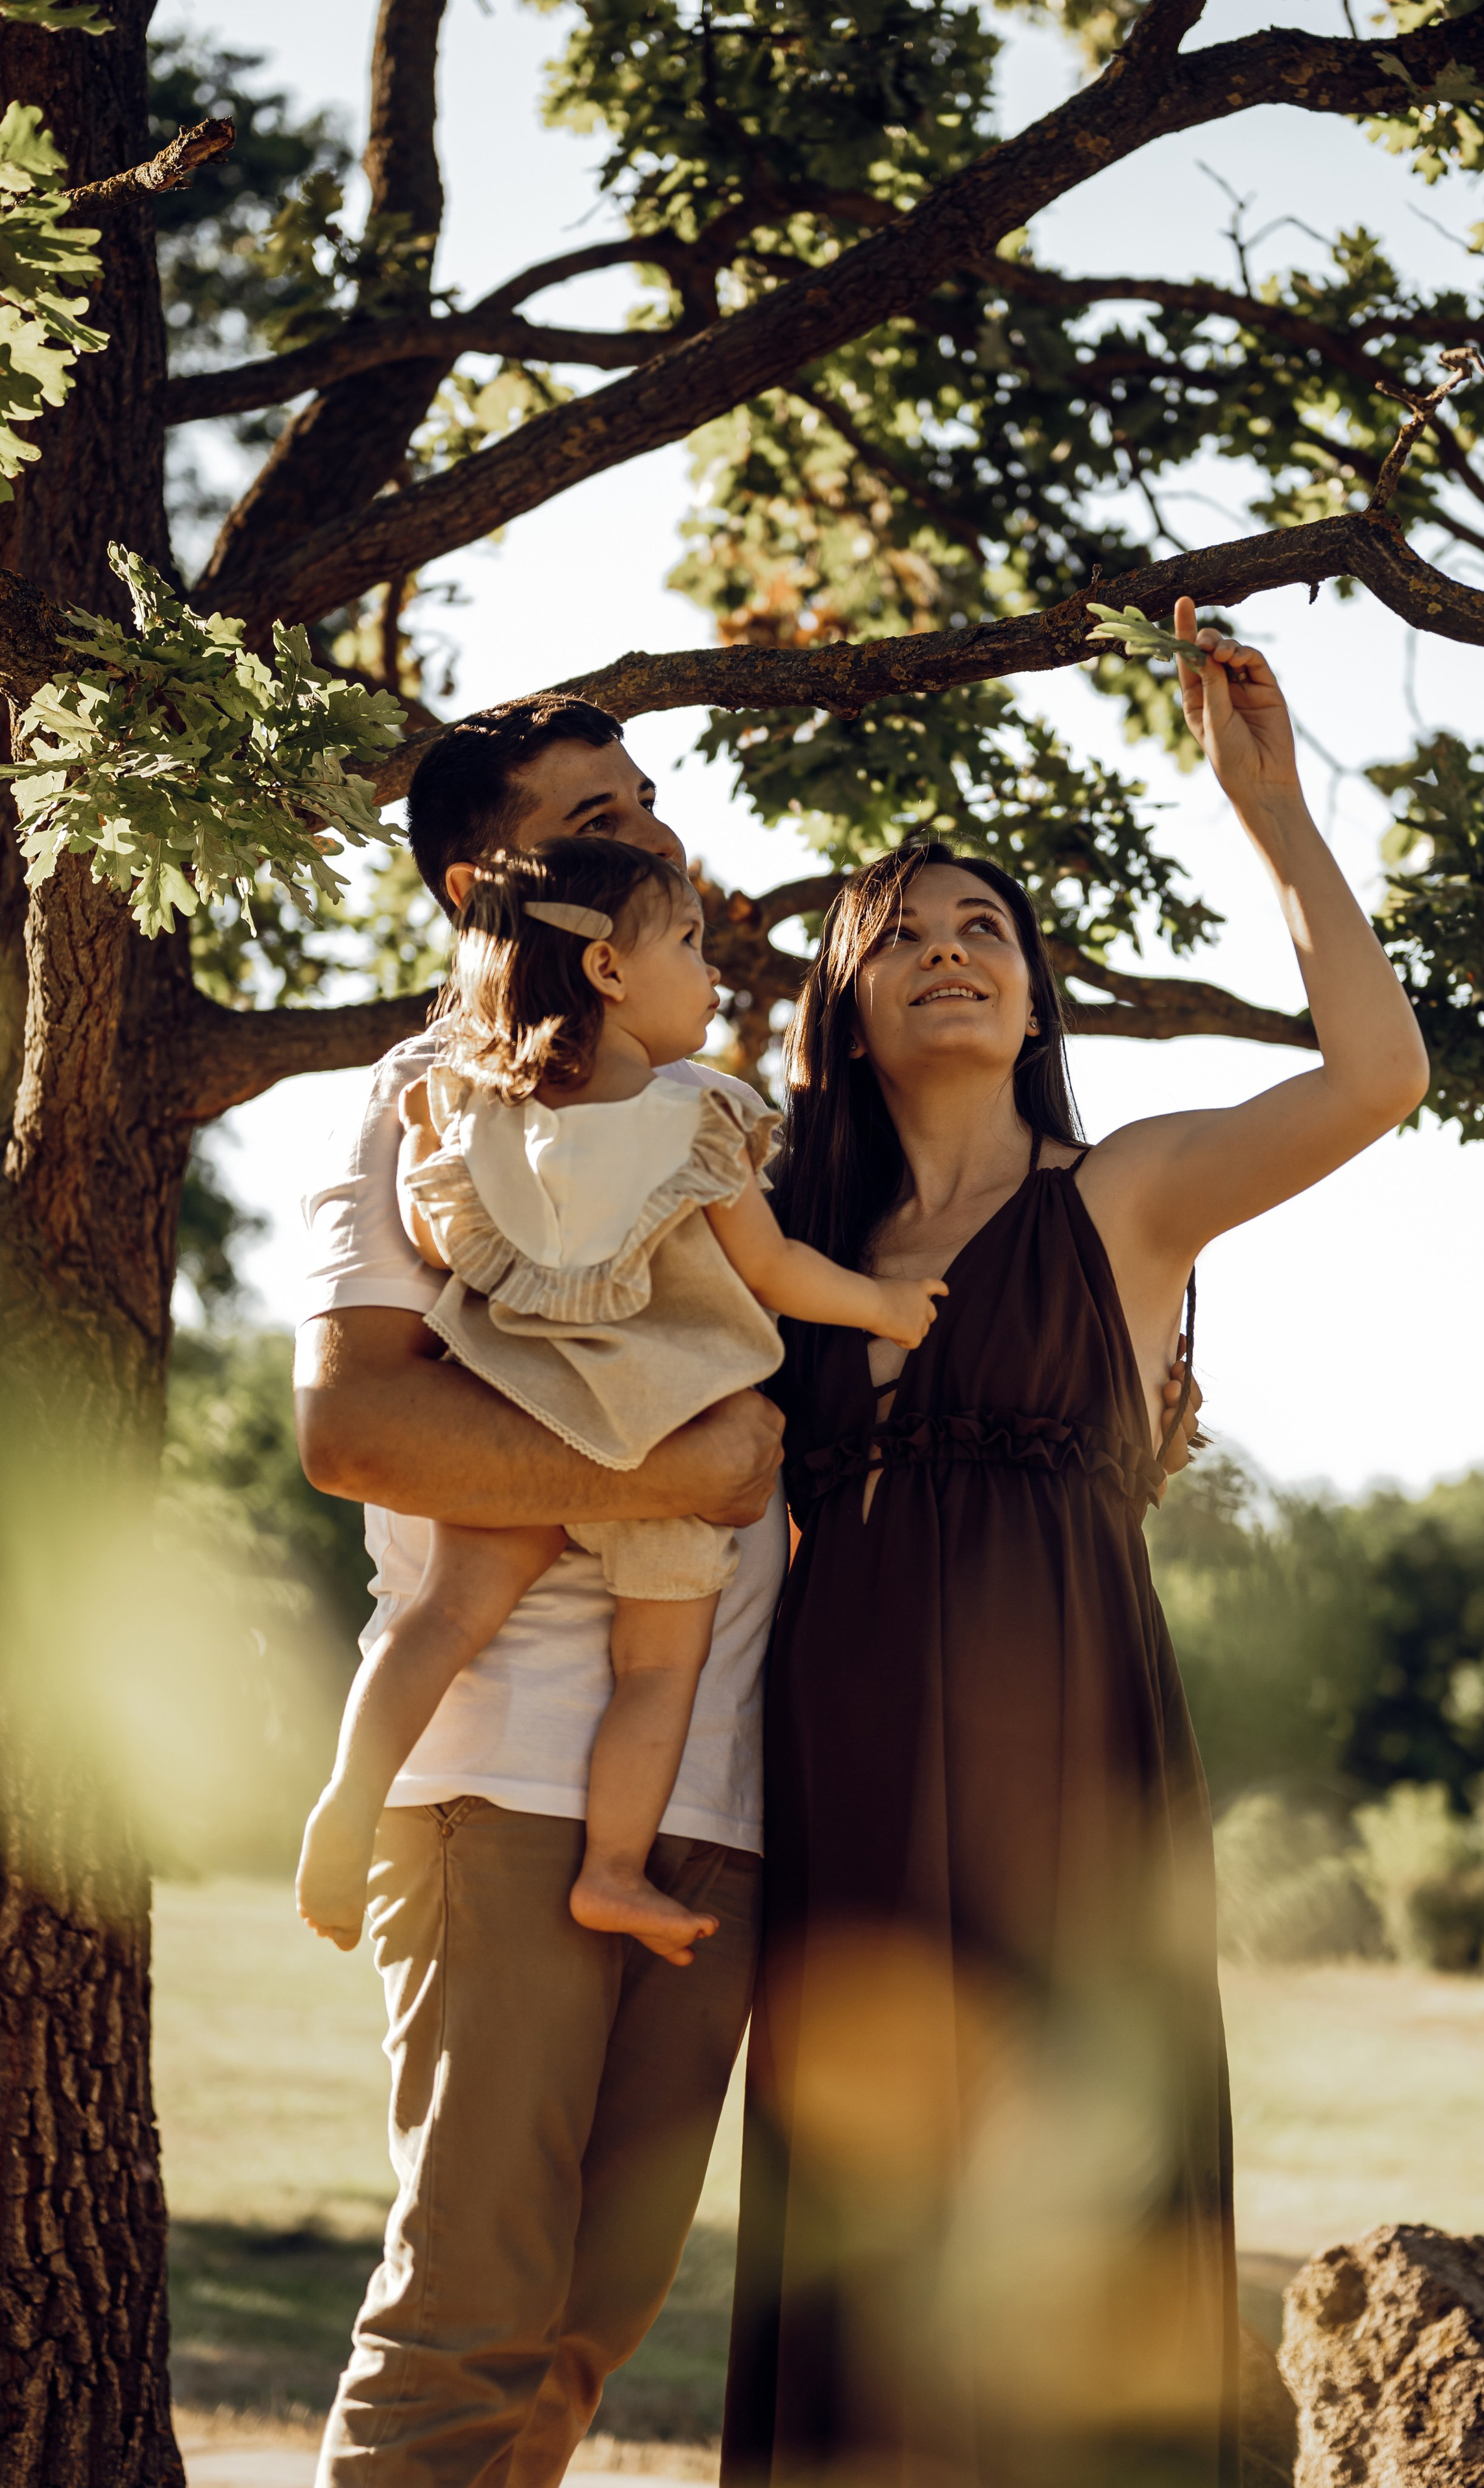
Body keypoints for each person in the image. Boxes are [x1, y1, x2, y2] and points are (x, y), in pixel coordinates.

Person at [295, 692, 1199, 2487]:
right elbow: (352, 1425)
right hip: (513, 1782)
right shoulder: (430, 1102)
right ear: (502, 885)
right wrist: (677, 1471)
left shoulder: (714, 1118)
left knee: (582, 2330)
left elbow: (798, 1329)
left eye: (653, 807)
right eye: (603, 825)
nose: (662, 840)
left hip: (719, 1795)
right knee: (467, 2315)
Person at [722, 602, 1429, 2488]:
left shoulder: (1124, 1198)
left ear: (1034, 1000)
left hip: (1072, 1759)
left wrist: (1273, 822)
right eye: (906, 935)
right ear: (845, 1008)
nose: (952, 954)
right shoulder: (784, 1249)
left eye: (988, 933)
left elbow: (1376, 1078)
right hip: (849, 1766)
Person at [296, 833, 945, 1966]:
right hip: (675, 1421)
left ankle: (350, 1797)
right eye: (690, 942)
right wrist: (888, 1309)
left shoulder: (462, 1107)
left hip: (522, 1414)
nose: (713, 968)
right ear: (607, 971)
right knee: (662, 1669)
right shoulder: (704, 1122)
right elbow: (778, 1273)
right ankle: (612, 1868)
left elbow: (437, 1229)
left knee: (441, 1617)